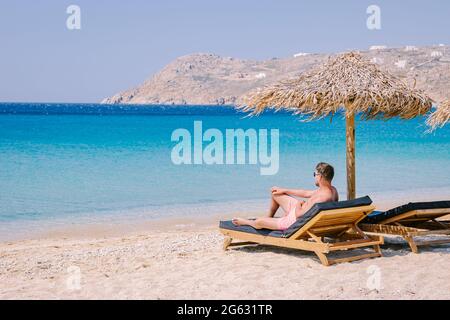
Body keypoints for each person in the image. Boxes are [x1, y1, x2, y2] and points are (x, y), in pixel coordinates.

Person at [232, 162, 339, 231]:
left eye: (314, 175)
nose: (314, 177)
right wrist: (284, 189)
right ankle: (269, 219)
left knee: (259, 221)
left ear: (320, 176)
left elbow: (299, 215)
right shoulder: (332, 191)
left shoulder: (321, 198)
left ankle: (248, 222)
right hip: (301, 213)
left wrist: (298, 204)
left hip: (293, 221)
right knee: (276, 193)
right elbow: (306, 193)